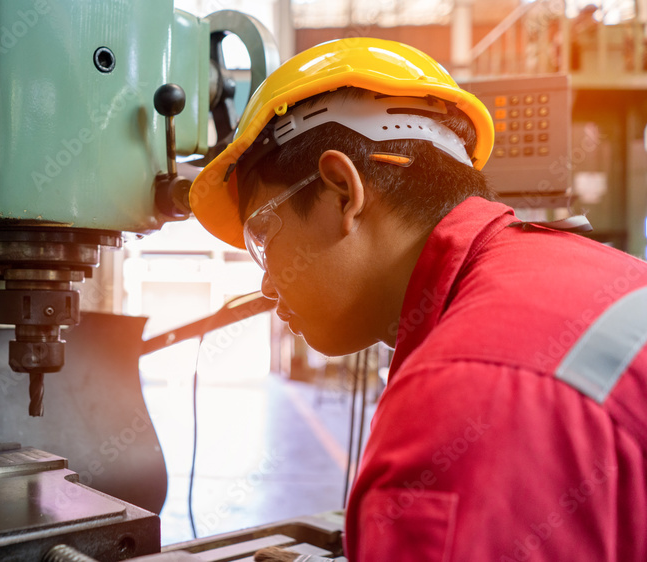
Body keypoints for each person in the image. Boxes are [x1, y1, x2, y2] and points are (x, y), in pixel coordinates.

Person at [189, 38, 647, 561]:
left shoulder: (465, 391)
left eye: (263, 238)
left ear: (343, 190)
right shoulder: (582, 268)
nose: (268, 284)